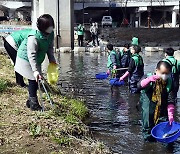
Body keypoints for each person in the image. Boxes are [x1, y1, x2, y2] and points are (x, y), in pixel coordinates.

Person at [15, 14, 56, 111]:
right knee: (34, 79)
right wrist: (35, 70)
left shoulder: (50, 34)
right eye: (49, 26)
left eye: (51, 25)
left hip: (37, 59)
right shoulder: (33, 37)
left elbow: (49, 48)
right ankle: (34, 104)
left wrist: (52, 60)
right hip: (25, 58)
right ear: (42, 27)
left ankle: (30, 101)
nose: (51, 28)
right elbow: (31, 55)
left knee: (36, 79)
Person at [137, 61, 175, 141]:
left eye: (167, 73)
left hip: (162, 106)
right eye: (162, 73)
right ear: (156, 70)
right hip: (148, 104)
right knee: (147, 126)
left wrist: (171, 115)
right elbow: (139, 86)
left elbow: (170, 99)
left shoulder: (169, 82)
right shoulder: (149, 77)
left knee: (164, 125)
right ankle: (148, 145)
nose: (164, 76)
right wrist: (148, 80)